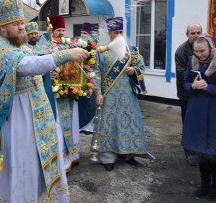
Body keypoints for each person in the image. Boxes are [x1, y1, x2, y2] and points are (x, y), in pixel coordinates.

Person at [0, 0, 89, 202]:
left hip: (36, 115)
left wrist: (49, 70)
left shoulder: (17, 44)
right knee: (25, 163)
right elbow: (25, 66)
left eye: (22, 23)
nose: (22, 27)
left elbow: (34, 62)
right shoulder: (0, 50)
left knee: (39, 160)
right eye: (17, 24)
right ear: (3, 28)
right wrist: (65, 56)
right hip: (18, 118)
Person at [181, 34, 216, 201]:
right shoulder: (192, 61)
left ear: (211, 48)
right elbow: (185, 83)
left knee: (214, 153)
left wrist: (209, 87)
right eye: (196, 51)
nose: (199, 54)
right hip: (196, 111)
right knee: (200, 152)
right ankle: (204, 184)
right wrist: (192, 85)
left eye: (202, 51)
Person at [94, 16, 148, 171]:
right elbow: (96, 74)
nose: (118, 34)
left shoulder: (132, 51)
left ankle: (128, 154)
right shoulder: (101, 52)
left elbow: (141, 65)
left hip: (128, 96)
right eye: (114, 32)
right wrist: (98, 92)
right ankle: (107, 158)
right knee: (108, 126)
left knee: (128, 124)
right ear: (109, 33)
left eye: (120, 31)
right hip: (108, 96)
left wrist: (134, 70)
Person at [48, 15, 81, 171]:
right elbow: (43, 65)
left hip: (71, 92)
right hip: (56, 94)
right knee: (59, 125)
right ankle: (61, 160)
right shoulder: (47, 46)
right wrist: (49, 74)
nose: (61, 33)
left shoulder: (72, 45)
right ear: (52, 31)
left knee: (72, 123)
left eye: (63, 30)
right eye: (58, 30)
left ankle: (73, 156)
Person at [175, 23, 202, 166]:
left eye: (199, 32)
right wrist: (198, 78)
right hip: (187, 94)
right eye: (193, 33)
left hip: (203, 93)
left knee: (200, 122)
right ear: (187, 35)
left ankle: (199, 148)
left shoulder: (206, 48)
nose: (196, 35)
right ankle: (189, 151)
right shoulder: (181, 51)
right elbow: (180, 73)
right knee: (188, 123)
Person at [78, 22, 97, 135]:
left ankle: (89, 126)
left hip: (91, 80)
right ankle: (81, 125)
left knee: (91, 104)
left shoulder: (96, 48)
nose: (83, 35)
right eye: (81, 33)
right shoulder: (77, 46)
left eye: (85, 33)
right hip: (79, 80)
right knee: (81, 104)